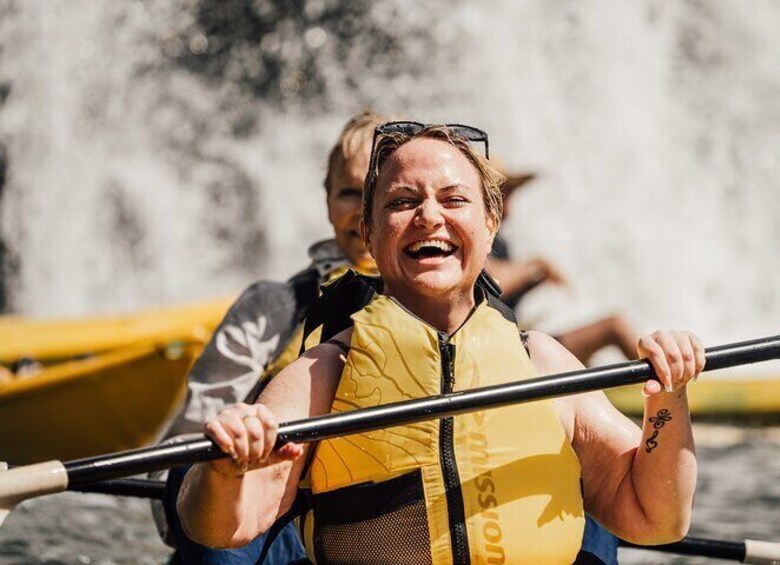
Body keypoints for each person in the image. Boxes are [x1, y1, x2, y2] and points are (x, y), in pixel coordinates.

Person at [177, 123, 704, 563]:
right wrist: (222, 471)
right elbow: (221, 530)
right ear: (370, 230)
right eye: (403, 201)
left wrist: (668, 399)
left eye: (454, 199)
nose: (430, 216)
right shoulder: (321, 375)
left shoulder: (543, 362)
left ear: (491, 224)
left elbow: (657, 519)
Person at [154, 111, 387, 564]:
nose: (363, 212)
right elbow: (189, 441)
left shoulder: (451, 313)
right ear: (326, 202)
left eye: (380, 194)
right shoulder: (272, 306)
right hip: (260, 508)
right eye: (348, 193)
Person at [485, 161, 640, 364]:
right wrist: (536, 266)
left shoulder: (501, 242)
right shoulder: (478, 237)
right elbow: (492, 283)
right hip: (501, 356)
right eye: (503, 194)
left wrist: (535, 280)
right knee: (614, 326)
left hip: (515, 345)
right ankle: (665, 384)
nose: (508, 205)